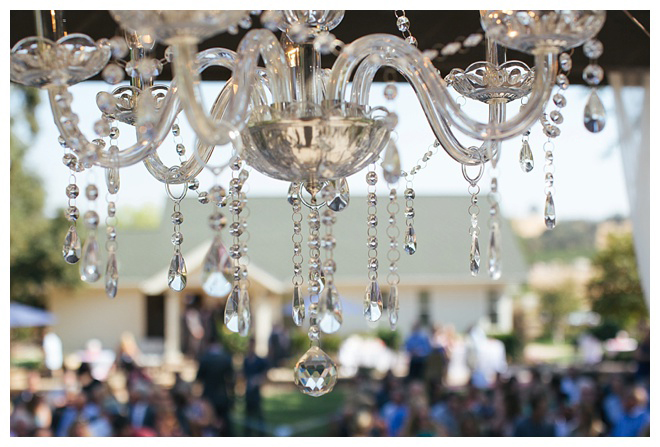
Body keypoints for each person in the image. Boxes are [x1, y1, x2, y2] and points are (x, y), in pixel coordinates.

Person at [196, 339, 235, 436]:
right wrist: (232, 397)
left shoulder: (205, 358)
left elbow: (198, 380)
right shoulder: (226, 358)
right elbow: (231, 380)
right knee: (224, 426)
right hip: (223, 397)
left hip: (208, 397)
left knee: (210, 425)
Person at [243, 338, 268, 436]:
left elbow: (264, 374)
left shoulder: (259, 361)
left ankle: (261, 433)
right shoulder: (246, 360)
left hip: (256, 392)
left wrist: (257, 380)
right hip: (248, 391)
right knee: (248, 414)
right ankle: (248, 433)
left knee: (258, 414)